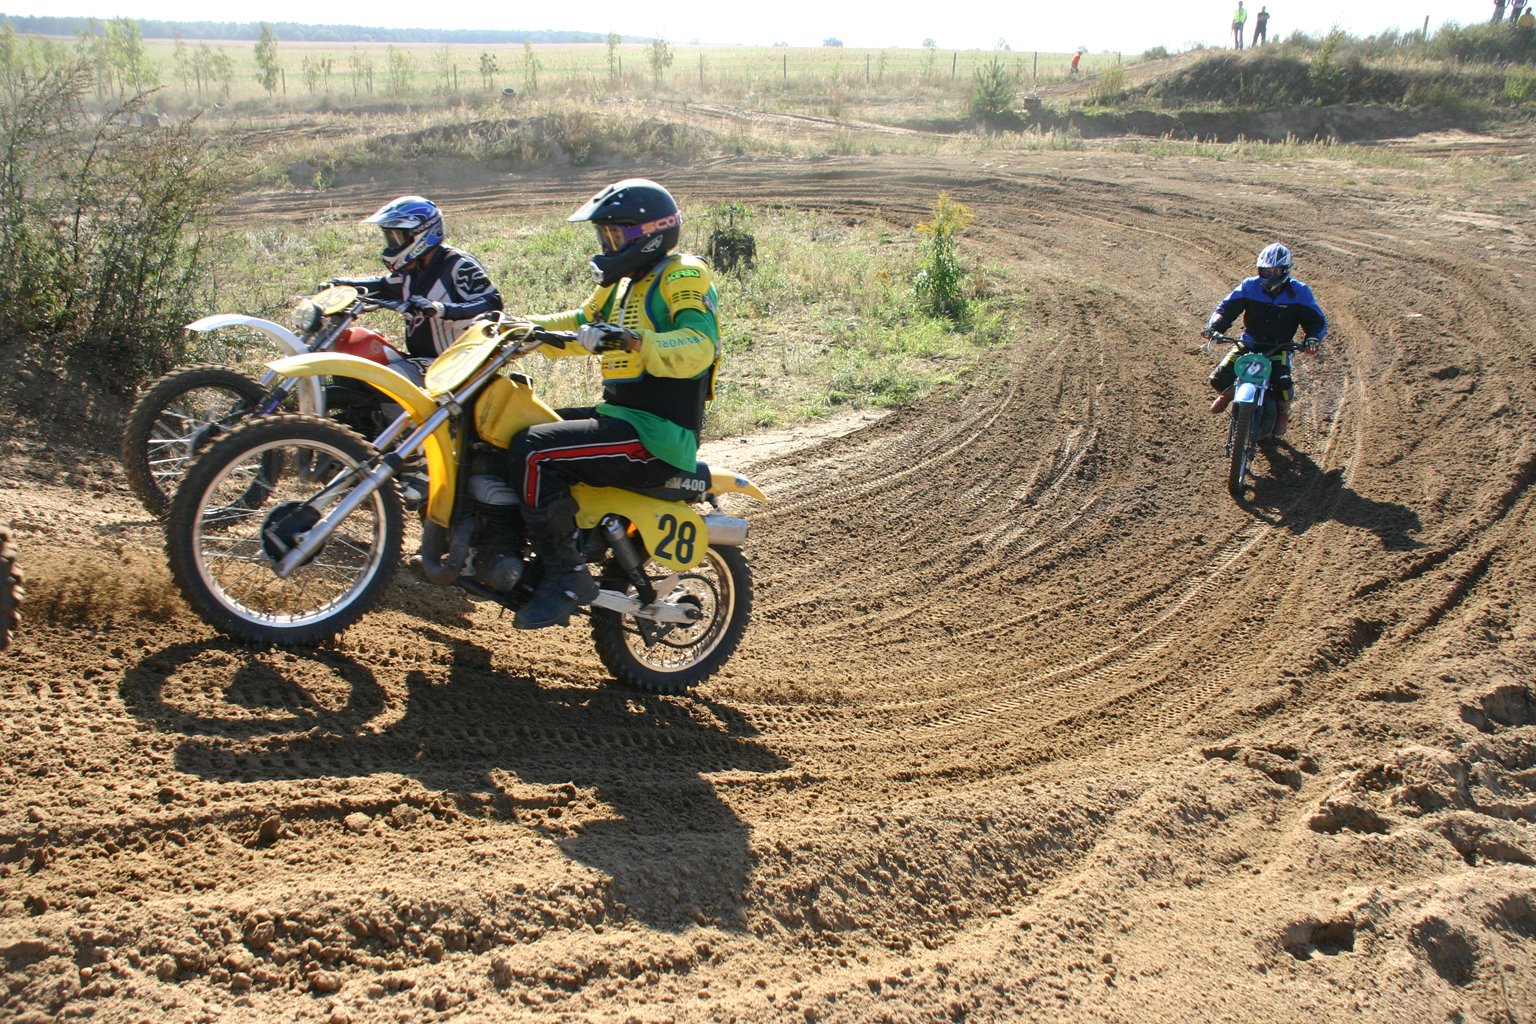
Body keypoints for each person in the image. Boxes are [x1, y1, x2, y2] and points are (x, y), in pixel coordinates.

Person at [506, 178, 721, 630]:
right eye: (604, 235)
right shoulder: (622, 284)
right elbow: (581, 322)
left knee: (534, 451)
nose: (607, 244)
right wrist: (518, 326)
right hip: (620, 417)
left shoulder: (681, 274)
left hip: (657, 433)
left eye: (614, 234)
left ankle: (566, 577)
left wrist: (633, 339)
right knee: (511, 430)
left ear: (650, 234)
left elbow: (699, 344)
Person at [324, 195, 504, 504]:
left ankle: (423, 464)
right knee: (365, 360)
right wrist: (343, 285)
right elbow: (383, 285)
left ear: (422, 234)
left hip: (455, 364)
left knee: (393, 378)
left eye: (398, 236)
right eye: (389, 236)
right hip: (425, 361)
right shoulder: (411, 269)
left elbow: (492, 302)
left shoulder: (458, 265)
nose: (392, 243)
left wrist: (441, 309)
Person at [1202, 243, 1326, 439]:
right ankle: (1227, 395)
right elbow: (1226, 309)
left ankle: (1283, 415)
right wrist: (1214, 327)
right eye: (1266, 271)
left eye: (1275, 271)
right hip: (1248, 344)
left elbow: (1316, 320)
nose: (1270, 276)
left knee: (1283, 385)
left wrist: (1312, 339)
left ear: (1286, 270)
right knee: (1218, 378)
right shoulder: (1249, 286)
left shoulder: (1300, 292)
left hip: (1280, 347)